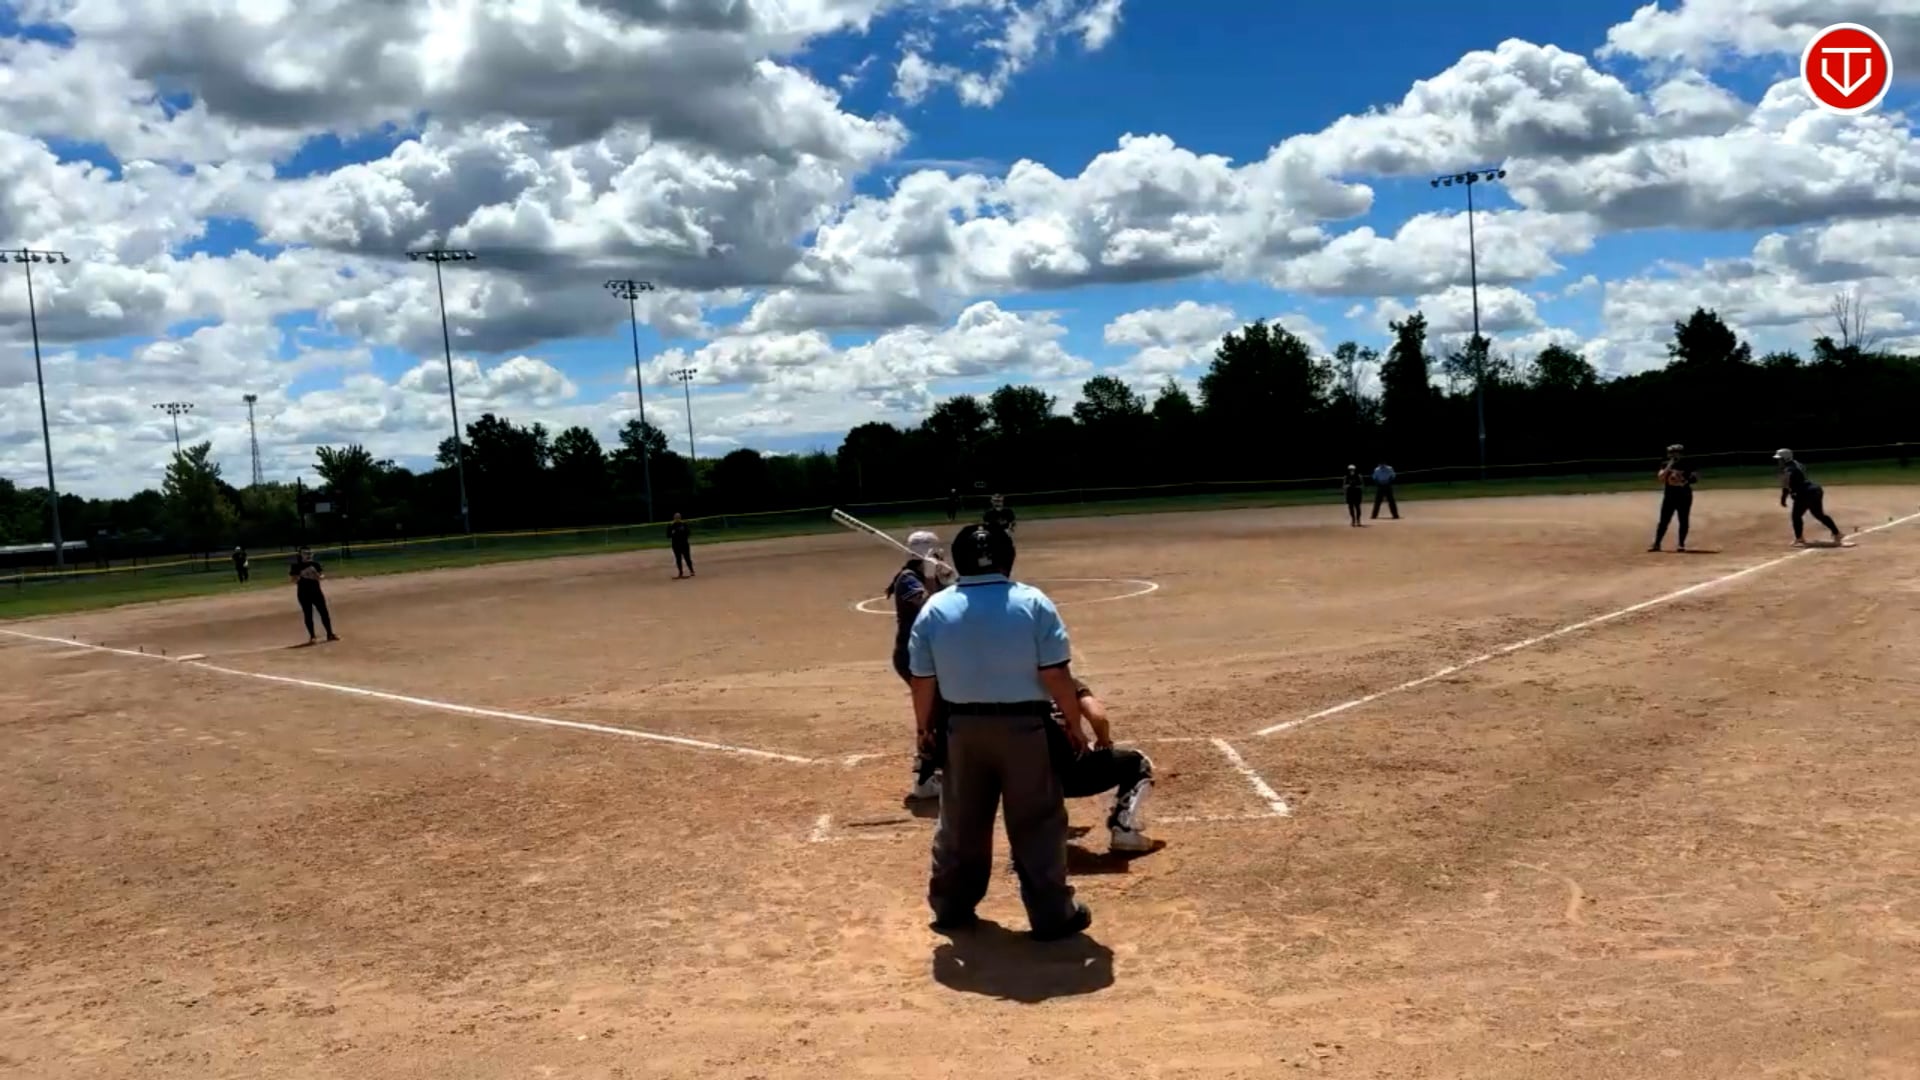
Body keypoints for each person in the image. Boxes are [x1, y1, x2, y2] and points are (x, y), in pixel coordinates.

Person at [907, 523, 1091, 940]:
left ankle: (951, 907)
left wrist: (924, 728)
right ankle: (1051, 914)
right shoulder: (1032, 601)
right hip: (1026, 728)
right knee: (1037, 822)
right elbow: (1055, 674)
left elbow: (922, 681)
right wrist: (1074, 723)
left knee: (960, 823)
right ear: (1008, 558)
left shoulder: (935, 608)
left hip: (961, 729)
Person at [1048, 679, 1154, 853]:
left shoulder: (1012, 688)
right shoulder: (1067, 683)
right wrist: (1103, 741)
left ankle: (1032, 838)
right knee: (1137, 763)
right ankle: (1123, 831)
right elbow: (1098, 717)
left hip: (1027, 781)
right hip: (1072, 777)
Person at [889, 530, 954, 801]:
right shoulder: (907, 579)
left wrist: (949, 582)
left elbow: (952, 608)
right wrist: (931, 578)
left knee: (941, 710)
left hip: (931, 656)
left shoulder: (929, 577)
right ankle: (924, 779)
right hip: (912, 657)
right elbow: (930, 609)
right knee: (933, 713)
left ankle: (935, 768)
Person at [1775, 449, 1843, 546]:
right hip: (1815, 490)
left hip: (1805, 493)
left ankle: (1799, 539)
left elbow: (1786, 486)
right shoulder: (1798, 464)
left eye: (1780, 459)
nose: (1778, 461)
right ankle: (1837, 533)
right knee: (1819, 514)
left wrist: (1783, 499)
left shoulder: (1787, 469)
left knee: (1796, 516)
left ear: (1785, 458)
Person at [1647, 444, 1698, 552]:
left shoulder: (1688, 464)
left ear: (1679, 453)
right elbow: (1661, 477)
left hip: (1684, 496)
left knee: (1683, 520)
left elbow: (1695, 478)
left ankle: (1681, 544)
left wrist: (1684, 481)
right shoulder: (1665, 464)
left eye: (1672, 453)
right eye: (1670, 453)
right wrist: (1669, 465)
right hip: (1670, 496)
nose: (1670, 455)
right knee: (1664, 520)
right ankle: (1657, 544)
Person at [287, 546, 338, 644]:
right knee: (308, 614)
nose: (308, 555)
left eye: (309, 553)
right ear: (300, 554)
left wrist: (319, 576)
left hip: (316, 592)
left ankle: (330, 634)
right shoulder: (296, 566)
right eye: (305, 553)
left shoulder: (315, 564)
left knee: (324, 613)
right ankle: (312, 637)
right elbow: (293, 580)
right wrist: (301, 575)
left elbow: (321, 575)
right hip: (303, 593)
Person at [667, 512, 694, 578]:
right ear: (674, 518)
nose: (677, 518)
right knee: (678, 559)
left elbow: (688, 533)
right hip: (675, 545)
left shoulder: (684, 524)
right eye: (676, 517)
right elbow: (668, 535)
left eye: (678, 517)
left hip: (684, 544)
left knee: (687, 558)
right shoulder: (671, 526)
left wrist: (679, 533)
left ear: (680, 518)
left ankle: (691, 571)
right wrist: (673, 533)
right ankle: (680, 572)